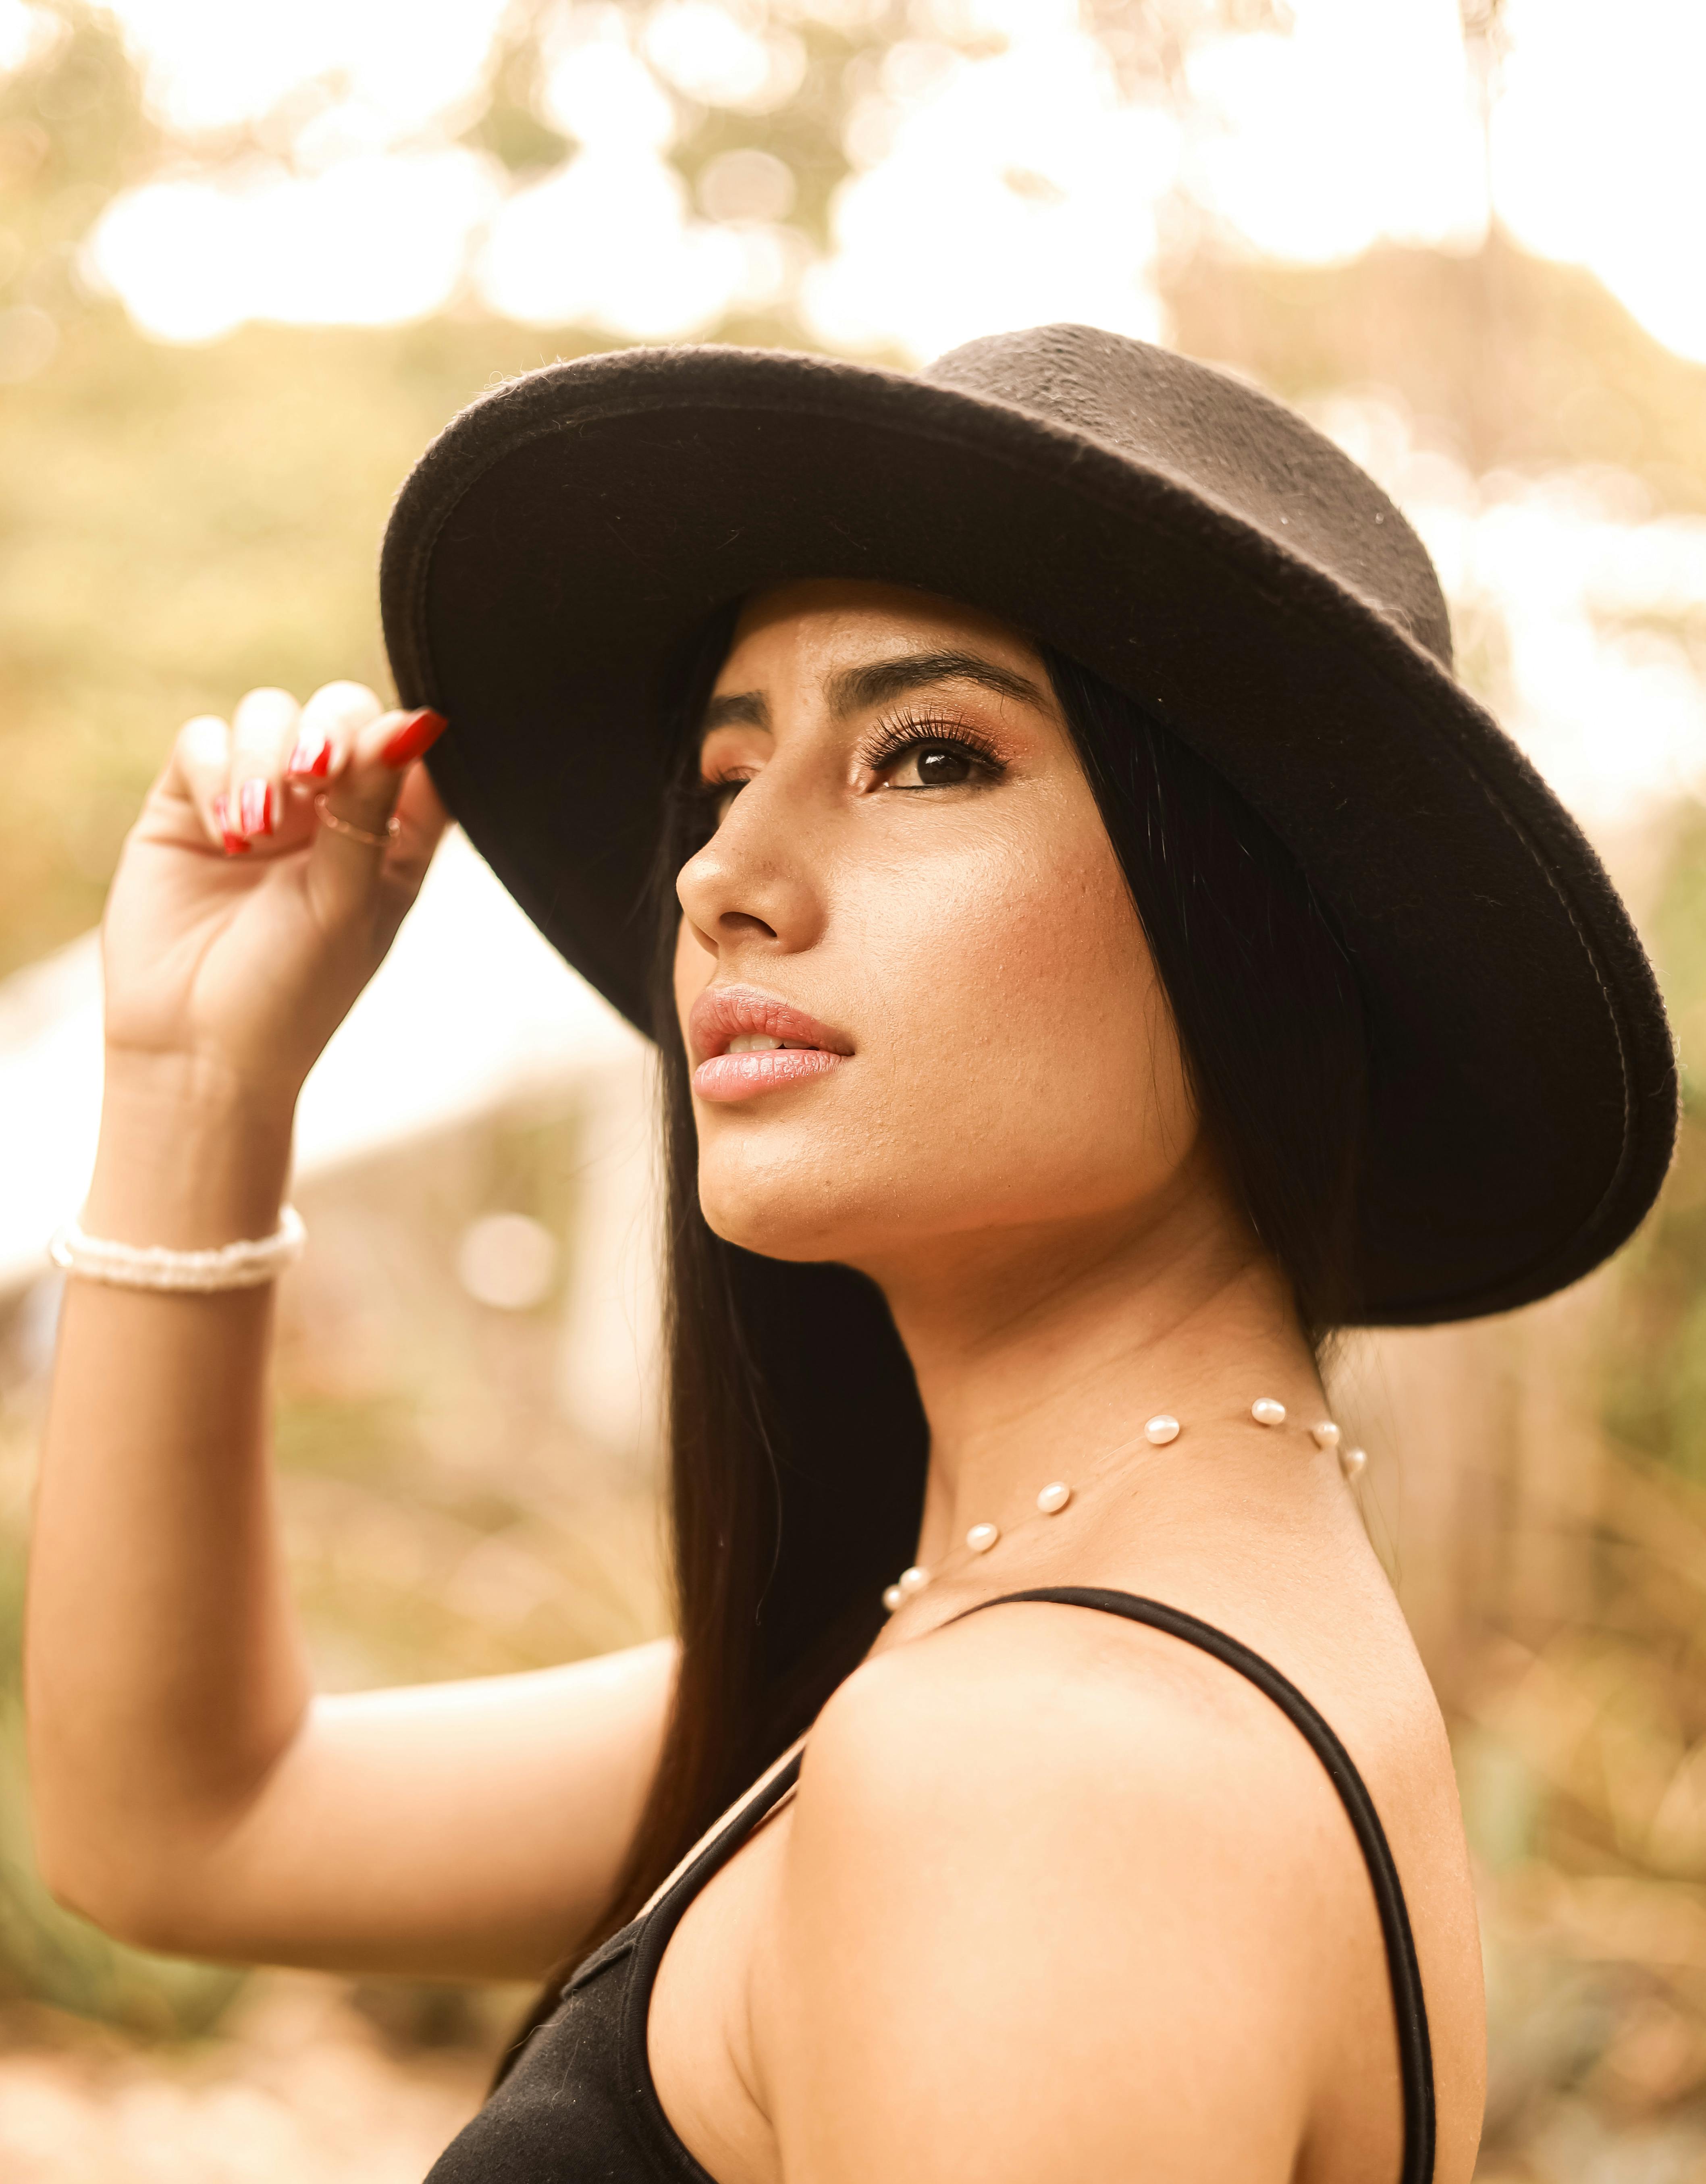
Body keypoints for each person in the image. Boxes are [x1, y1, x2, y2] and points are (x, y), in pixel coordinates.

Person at [27, 326, 1675, 2184]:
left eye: (929, 756)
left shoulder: (1043, 1775)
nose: (720, 873)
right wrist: (194, 1074)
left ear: (1256, 918)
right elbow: (189, 1822)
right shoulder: (1011, 1650)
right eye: (725, 775)